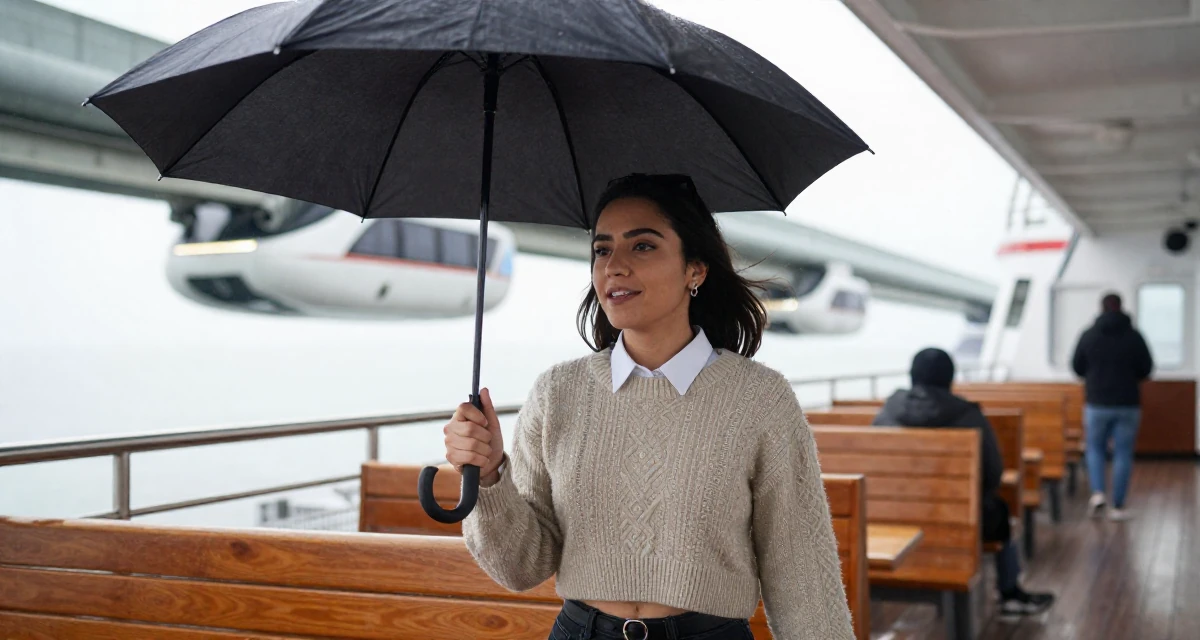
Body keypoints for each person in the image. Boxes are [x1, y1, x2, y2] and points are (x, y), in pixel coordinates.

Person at [442, 173, 854, 640]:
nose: (614, 266)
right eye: (602, 250)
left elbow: (801, 572)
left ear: (694, 270)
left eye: (642, 246)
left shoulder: (759, 399)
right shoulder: (557, 393)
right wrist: (491, 472)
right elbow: (520, 568)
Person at [872, 348, 1055, 616]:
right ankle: (1010, 593)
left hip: (891, 517)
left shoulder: (887, 412)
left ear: (912, 376)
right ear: (950, 378)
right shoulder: (968, 415)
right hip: (956, 519)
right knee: (1000, 511)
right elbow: (994, 474)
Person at [1071, 292, 1154, 521]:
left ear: (1102, 308)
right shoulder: (1134, 336)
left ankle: (1098, 494)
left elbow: (1077, 367)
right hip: (1128, 403)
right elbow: (1147, 368)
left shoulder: (1089, 335)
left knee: (1095, 449)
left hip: (1097, 402)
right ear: (1121, 307)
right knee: (1123, 453)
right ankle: (1118, 505)